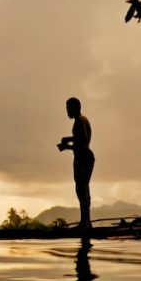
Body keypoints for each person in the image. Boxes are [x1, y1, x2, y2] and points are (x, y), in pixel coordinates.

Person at [57, 97, 94, 230]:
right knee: (83, 189)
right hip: (85, 157)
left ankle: (85, 223)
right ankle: (86, 222)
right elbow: (79, 141)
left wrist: (65, 144)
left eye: (68, 108)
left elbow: (82, 142)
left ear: (75, 108)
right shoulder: (83, 119)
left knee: (81, 189)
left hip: (83, 157)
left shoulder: (79, 121)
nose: (67, 111)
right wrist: (66, 142)